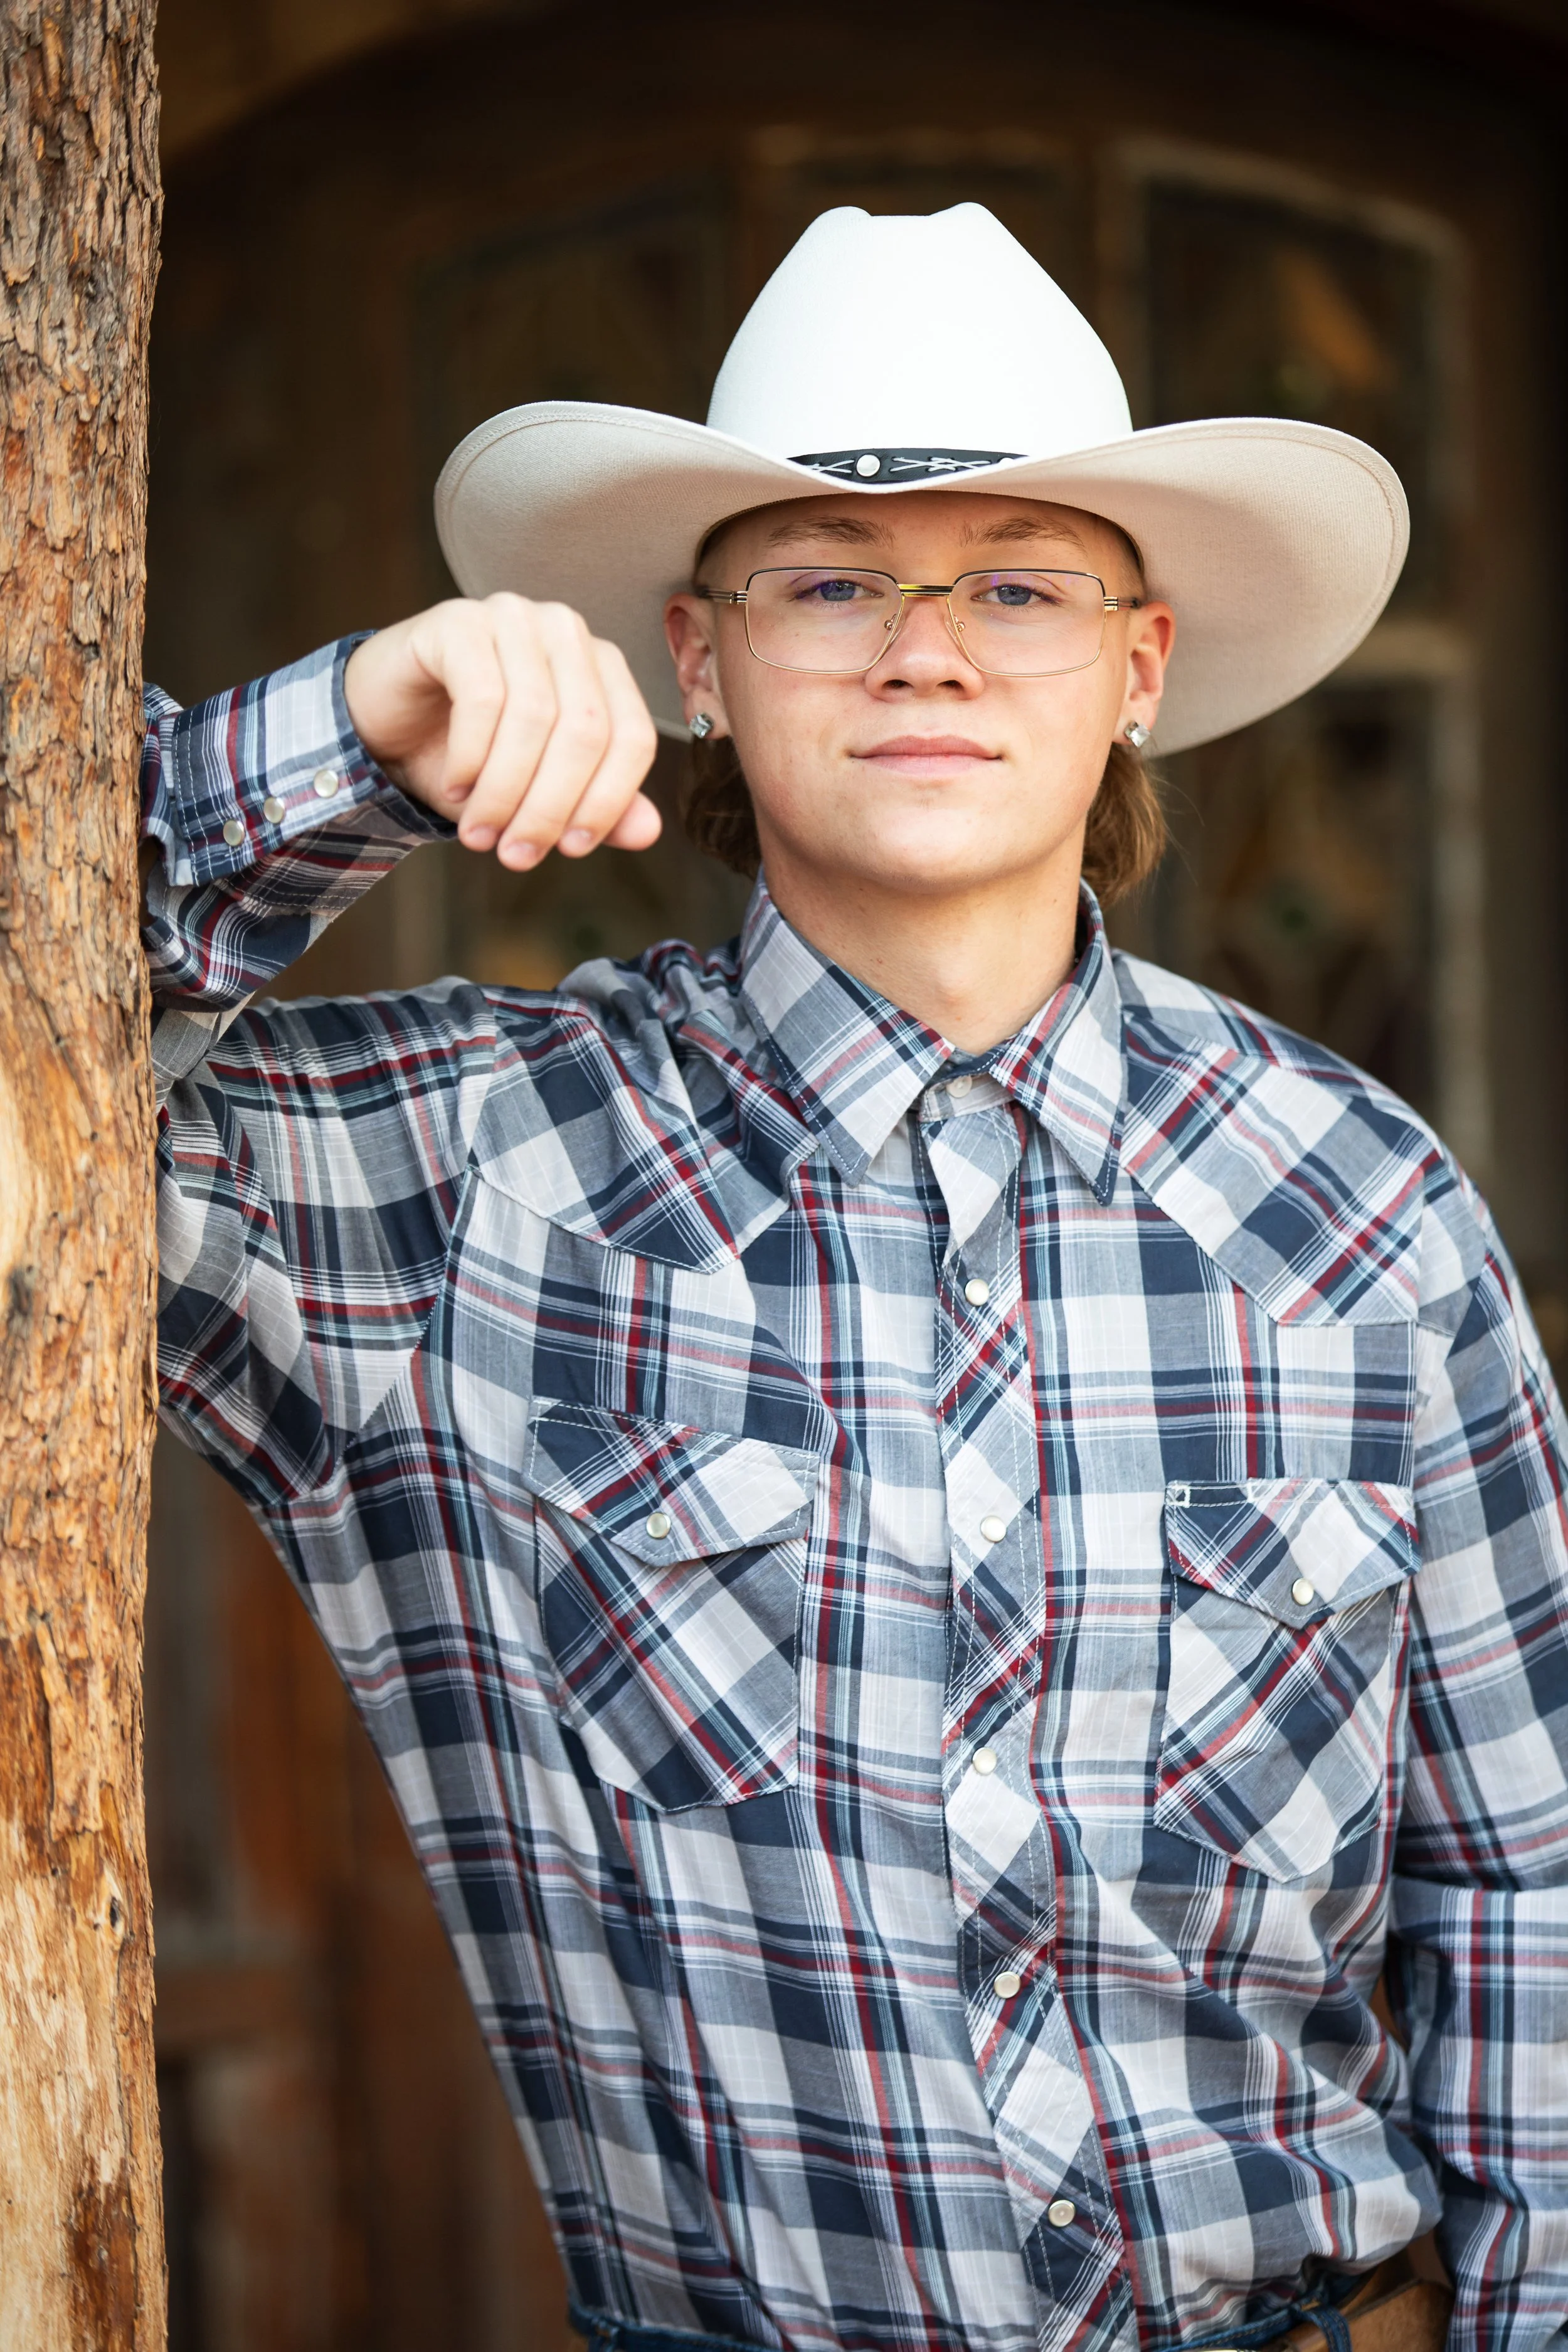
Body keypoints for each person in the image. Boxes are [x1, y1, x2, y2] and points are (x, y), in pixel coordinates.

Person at [142, 206, 1568, 2351]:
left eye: (1018, 586)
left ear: (1139, 667)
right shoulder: (442, 1185)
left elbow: (1530, 1902)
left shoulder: (1361, 1213)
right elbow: (44, 1052)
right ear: (698, 659)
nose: (927, 651)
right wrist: (343, 734)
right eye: (828, 581)